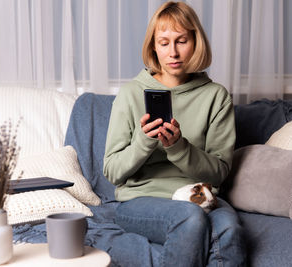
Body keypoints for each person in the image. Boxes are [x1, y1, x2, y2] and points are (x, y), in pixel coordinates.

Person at [103, 1, 247, 266]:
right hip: (141, 200)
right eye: (164, 42)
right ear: (153, 47)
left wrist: (179, 147)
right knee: (188, 218)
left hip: (200, 196)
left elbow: (220, 171)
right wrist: (144, 142)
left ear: (196, 42)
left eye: (182, 41)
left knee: (230, 230)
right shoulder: (130, 94)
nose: (174, 52)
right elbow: (112, 171)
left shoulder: (216, 96)